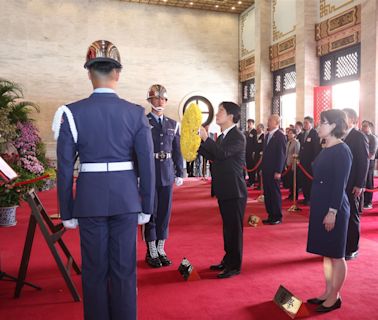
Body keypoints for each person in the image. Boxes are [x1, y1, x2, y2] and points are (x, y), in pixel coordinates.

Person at [53, 40, 155, 320]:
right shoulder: (135, 113)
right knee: (124, 270)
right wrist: (147, 205)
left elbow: (64, 168)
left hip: (89, 201)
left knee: (95, 271)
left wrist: (67, 210)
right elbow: (146, 164)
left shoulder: (71, 113)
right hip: (126, 200)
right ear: (117, 73)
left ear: (89, 74)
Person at [306, 109, 352, 313]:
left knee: (336, 254)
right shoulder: (326, 147)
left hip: (334, 207)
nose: (318, 126)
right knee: (326, 253)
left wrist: (332, 211)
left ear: (333, 125)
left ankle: (335, 296)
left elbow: (339, 185)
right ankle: (327, 291)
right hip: (320, 205)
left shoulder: (342, 151)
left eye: (321, 122)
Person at [198, 102, 247, 279]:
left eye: (221, 111)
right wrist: (197, 143)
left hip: (235, 190)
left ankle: (235, 265)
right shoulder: (224, 136)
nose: (217, 114)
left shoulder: (237, 136)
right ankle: (228, 259)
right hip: (225, 189)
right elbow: (213, 155)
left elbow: (222, 154)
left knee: (234, 229)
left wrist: (206, 138)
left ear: (231, 116)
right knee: (227, 228)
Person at [144, 84, 184, 268]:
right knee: (150, 212)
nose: (159, 101)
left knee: (165, 213)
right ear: (150, 101)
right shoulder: (143, 122)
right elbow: (137, 151)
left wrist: (180, 171)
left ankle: (161, 248)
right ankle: (151, 249)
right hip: (150, 172)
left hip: (167, 172)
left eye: (162, 98)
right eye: (155, 98)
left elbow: (177, 150)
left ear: (166, 102)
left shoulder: (173, 124)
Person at [342, 108, 369, 260]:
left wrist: (360, 184)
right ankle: (342, 244)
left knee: (352, 215)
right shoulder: (341, 136)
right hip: (341, 182)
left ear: (352, 119)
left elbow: (364, 162)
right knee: (341, 215)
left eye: (344, 117)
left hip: (353, 183)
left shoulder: (358, 136)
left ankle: (353, 248)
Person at [261, 114, 286, 225]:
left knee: (274, 193)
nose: (268, 121)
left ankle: (277, 216)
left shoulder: (280, 136)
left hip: (274, 170)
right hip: (266, 169)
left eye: (270, 120)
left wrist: (278, 171)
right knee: (268, 193)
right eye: (268, 119)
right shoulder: (267, 135)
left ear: (277, 122)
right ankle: (270, 214)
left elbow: (281, 154)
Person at [298, 116, 321, 205]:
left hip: (310, 161)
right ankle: (306, 196)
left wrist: (314, 161)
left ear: (311, 124)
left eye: (306, 123)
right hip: (303, 162)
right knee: (304, 180)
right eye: (304, 123)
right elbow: (302, 147)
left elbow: (316, 148)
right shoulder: (303, 134)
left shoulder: (314, 133)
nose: (304, 124)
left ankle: (310, 198)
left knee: (309, 180)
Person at [361, 120, 378, 209]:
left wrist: (363, 158)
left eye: (365, 126)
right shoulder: (361, 137)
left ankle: (369, 202)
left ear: (370, 127)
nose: (363, 127)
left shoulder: (373, 138)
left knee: (369, 182)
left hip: (369, 163)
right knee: (362, 181)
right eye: (362, 126)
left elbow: (372, 152)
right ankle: (363, 201)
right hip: (362, 163)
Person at [284, 128, 300, 200]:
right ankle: (290, 194)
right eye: (288, 133)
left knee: (294, 180)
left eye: (291, 133)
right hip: (288, 163)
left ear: (294, 134)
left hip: (293, 164)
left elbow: (296, 154)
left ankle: (295, 195)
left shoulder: (296, 142)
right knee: (290, 180)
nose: (289, 134)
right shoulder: (288, 142)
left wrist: (294, 165)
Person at [244, 119, 257, 187]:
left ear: (252, 124)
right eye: (248, 123)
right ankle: (249, 180)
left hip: (252, 152)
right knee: (248, 166)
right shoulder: (246, 132)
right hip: (246, 151)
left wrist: (254, 151)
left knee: (252, 166)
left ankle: (252, 180)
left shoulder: (254, 132)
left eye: (250, 123)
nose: (248, 125)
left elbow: (255, 142)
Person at [253, 123, 265, 189]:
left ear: (262, 128)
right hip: (256, 156)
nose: (257, 129)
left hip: (261, 156)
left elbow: (263, 146)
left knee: (260, 170)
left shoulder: (263, 136)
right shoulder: (257, 136)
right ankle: (259, 184)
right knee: (257, 170)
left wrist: (261, 153)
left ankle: (261, 184)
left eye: (258, 128)